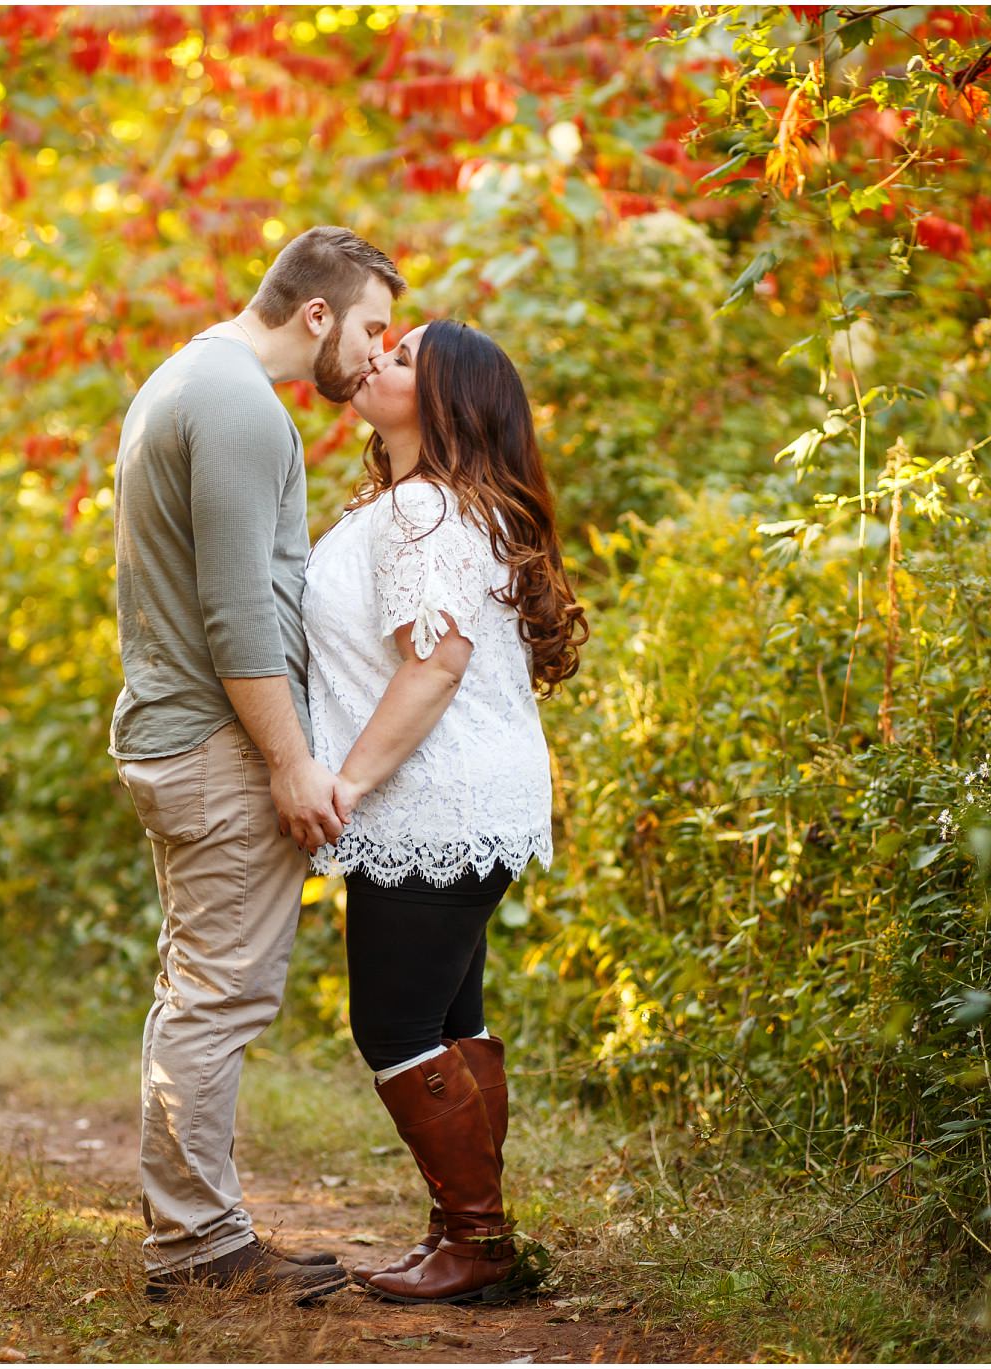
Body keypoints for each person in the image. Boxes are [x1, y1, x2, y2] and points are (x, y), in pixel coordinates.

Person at [110, 226, 406, 1303]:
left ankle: (195, 1231)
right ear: (315, 314)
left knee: (198, 989)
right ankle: (196, 1251)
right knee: (219, 997)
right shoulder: (237, 404)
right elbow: (239, 612)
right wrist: (289, 762)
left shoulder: (184, 378)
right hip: (213, 746)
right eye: (369, 328)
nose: (375, 357)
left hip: (174, 732)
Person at [303, 319, 589, 1305]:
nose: (375, 359)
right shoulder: (423, 503)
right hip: (467, 796)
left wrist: (343, 784)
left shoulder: (423, 510)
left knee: (393, 1022)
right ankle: (473, 1238)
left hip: (430, 798)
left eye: (402, 358)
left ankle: (474, 1239)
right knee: (444, 1021)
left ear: (444, 402)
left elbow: (435, 664)